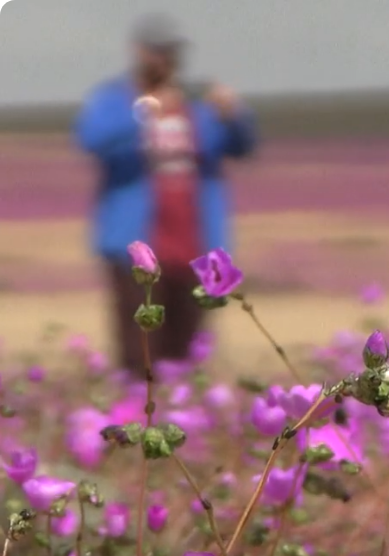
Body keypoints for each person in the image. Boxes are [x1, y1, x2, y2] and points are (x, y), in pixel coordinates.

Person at [74, 12, 257, 379]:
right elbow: (91, 139)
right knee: (139, 349)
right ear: (139, 52)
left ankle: (182, 423)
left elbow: (241, 146)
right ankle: (137, 418)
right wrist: (145, 109)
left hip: (194, 245)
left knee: (187, 351)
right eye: (157, 50)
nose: (165, 59)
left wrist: (233, 114)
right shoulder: (114, 100)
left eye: (171, 51)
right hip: (135, 247)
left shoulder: (197, 107)